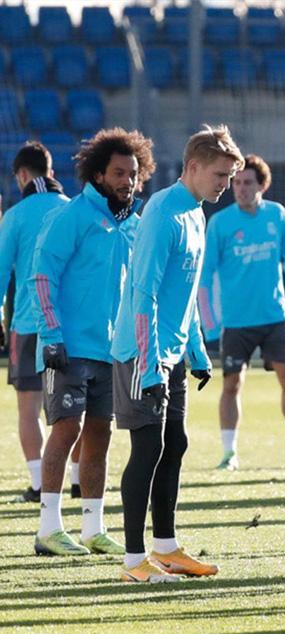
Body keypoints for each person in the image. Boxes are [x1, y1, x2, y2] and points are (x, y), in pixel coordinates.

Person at [111, 124, 242, 583]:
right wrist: (148, 362)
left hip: (171, 355)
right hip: (140, 354)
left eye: (229, 176)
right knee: (146, 448)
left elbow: (184, 297)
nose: (225, 184)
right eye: (220, 175)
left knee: (175, 444)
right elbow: (144, 292)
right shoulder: (163, 212)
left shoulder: (198, 215)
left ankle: (166, 548)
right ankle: (133, 561)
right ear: (192, 167)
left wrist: (198, 352)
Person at [30, 128, 155, 556]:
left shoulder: (136, 226)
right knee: (67, 429)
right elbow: (42, 274)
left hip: (112, 351)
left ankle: (92, 528)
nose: (128, 181)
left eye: (133, 174)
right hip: (67, 347)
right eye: (119, 173)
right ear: (98, 173)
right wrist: (50, 335)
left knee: (100, 435)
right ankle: (48, 529)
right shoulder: (72, 216)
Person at [198, 154, 285, 471]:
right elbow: (204, 276)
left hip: (275, 317)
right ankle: (229, 453)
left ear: (262, 185)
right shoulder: (220, 223)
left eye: (248, 182)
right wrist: (210, 325)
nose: (240, 188)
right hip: (236, 322)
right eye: (236, 182)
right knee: (231, 385)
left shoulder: (277, 215)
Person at [0, 142, 68, 503]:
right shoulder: (73, 210)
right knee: (72, 406)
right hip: (70, 325)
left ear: (22, 175)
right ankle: (74, 478)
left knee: (29, 408)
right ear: (51, 172)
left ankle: (40, 483)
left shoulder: (15, 215)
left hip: (27, 326)